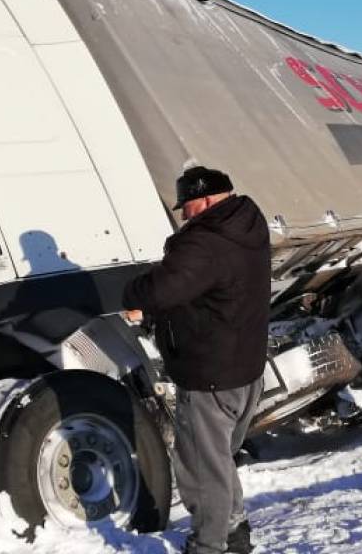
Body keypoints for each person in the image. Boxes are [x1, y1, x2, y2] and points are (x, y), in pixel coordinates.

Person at [122, 166, 270, 554]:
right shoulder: (248, 225)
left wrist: (133, 294)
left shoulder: (205, 242)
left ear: (203, 200)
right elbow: (205, 288)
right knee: (218, 458)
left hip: (210, 374)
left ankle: (209, 545)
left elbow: (160, 290)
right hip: (246, 369)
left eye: (186, 207)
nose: (184, 215)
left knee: (201, 468)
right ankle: (234, 531)